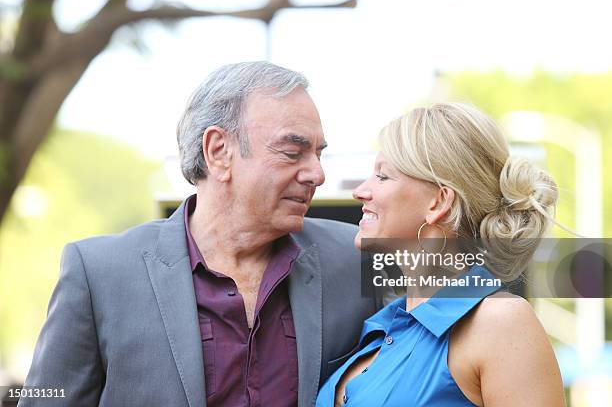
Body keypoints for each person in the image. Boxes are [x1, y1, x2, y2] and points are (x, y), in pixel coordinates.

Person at [21, 61, 389, 407]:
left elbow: (441, 316)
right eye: (293, 152)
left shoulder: (359, 256)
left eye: (318, 154)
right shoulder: (98, 273)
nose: (317, 174)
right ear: (218, 151)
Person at [316, 103, 566, 406]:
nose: (360, 192)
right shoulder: (383, 326)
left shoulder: (501, 321)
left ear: (438, 202)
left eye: (382, 177)